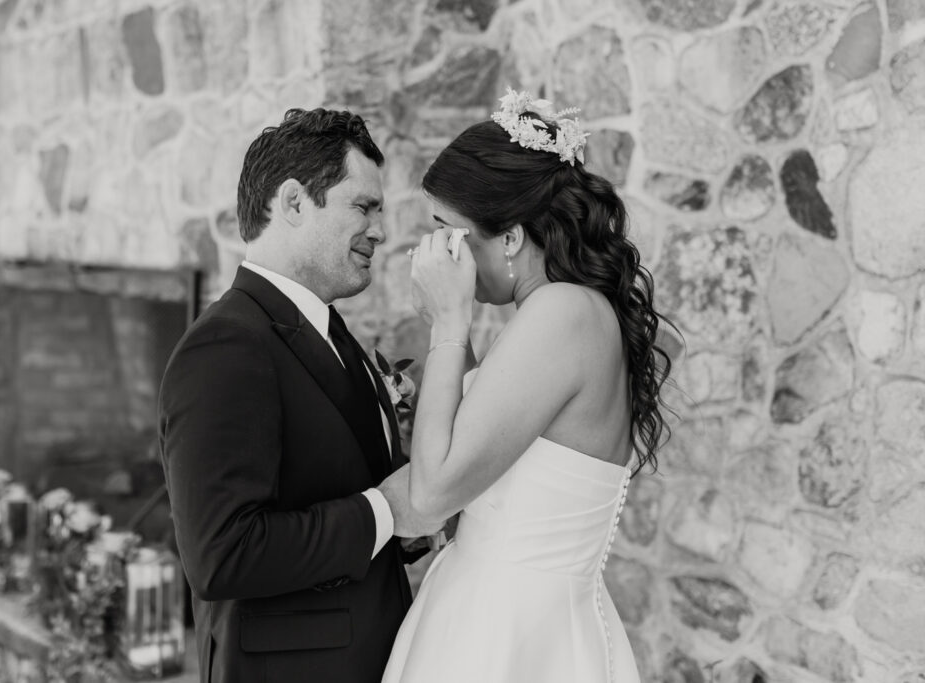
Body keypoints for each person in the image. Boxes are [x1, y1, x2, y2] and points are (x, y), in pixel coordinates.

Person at [382, 90, 676, 682]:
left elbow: (435, 490)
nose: (435, 251)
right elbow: (463, 463)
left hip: (513, 638)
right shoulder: (556, 316)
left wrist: (447, 320)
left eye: (447, 232)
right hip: (490, 615)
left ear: (511, 238)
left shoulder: (563, 315)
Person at [157, 108, 439, 683]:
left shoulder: (333, 333)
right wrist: (385, 510)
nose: (381, 231)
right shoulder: (225, 345)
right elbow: (223, 554)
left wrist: (406, 526)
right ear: (292, 203)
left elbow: (335, 487)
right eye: (363, 206)